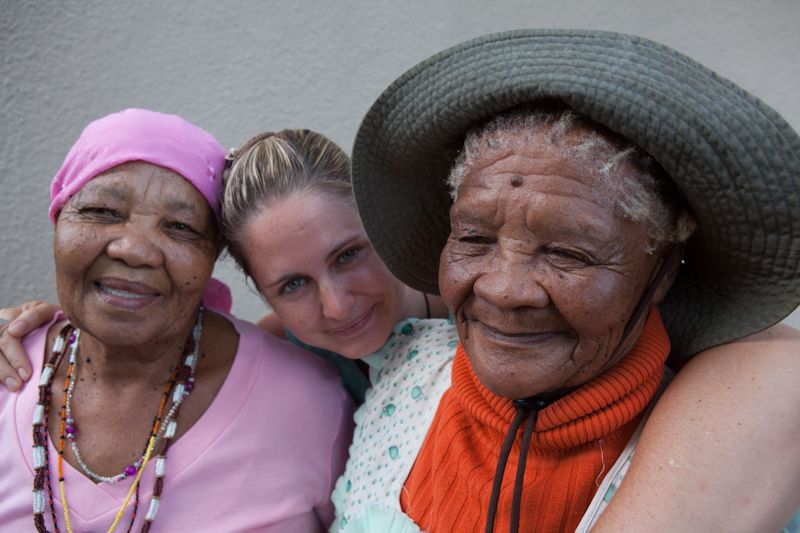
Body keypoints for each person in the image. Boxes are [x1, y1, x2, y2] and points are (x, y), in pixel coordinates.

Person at [0, 100, 798, 528]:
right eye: (293, 285)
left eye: (569, 252)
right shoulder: (319, 371)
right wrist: (47, 329)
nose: (339, 305)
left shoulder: (719, 404)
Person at [330, 29, 800, 532]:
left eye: (566, 252)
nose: (504, 289)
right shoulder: (406, 371)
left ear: (663, 270)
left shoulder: (732, 449)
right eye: (473, 238)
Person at [0, 109, 353, 532]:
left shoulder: (310, 402)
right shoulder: (8, 371)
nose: (134, 249)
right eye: (101, 211)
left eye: (181, 227)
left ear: (212, 257)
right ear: (59, 218)